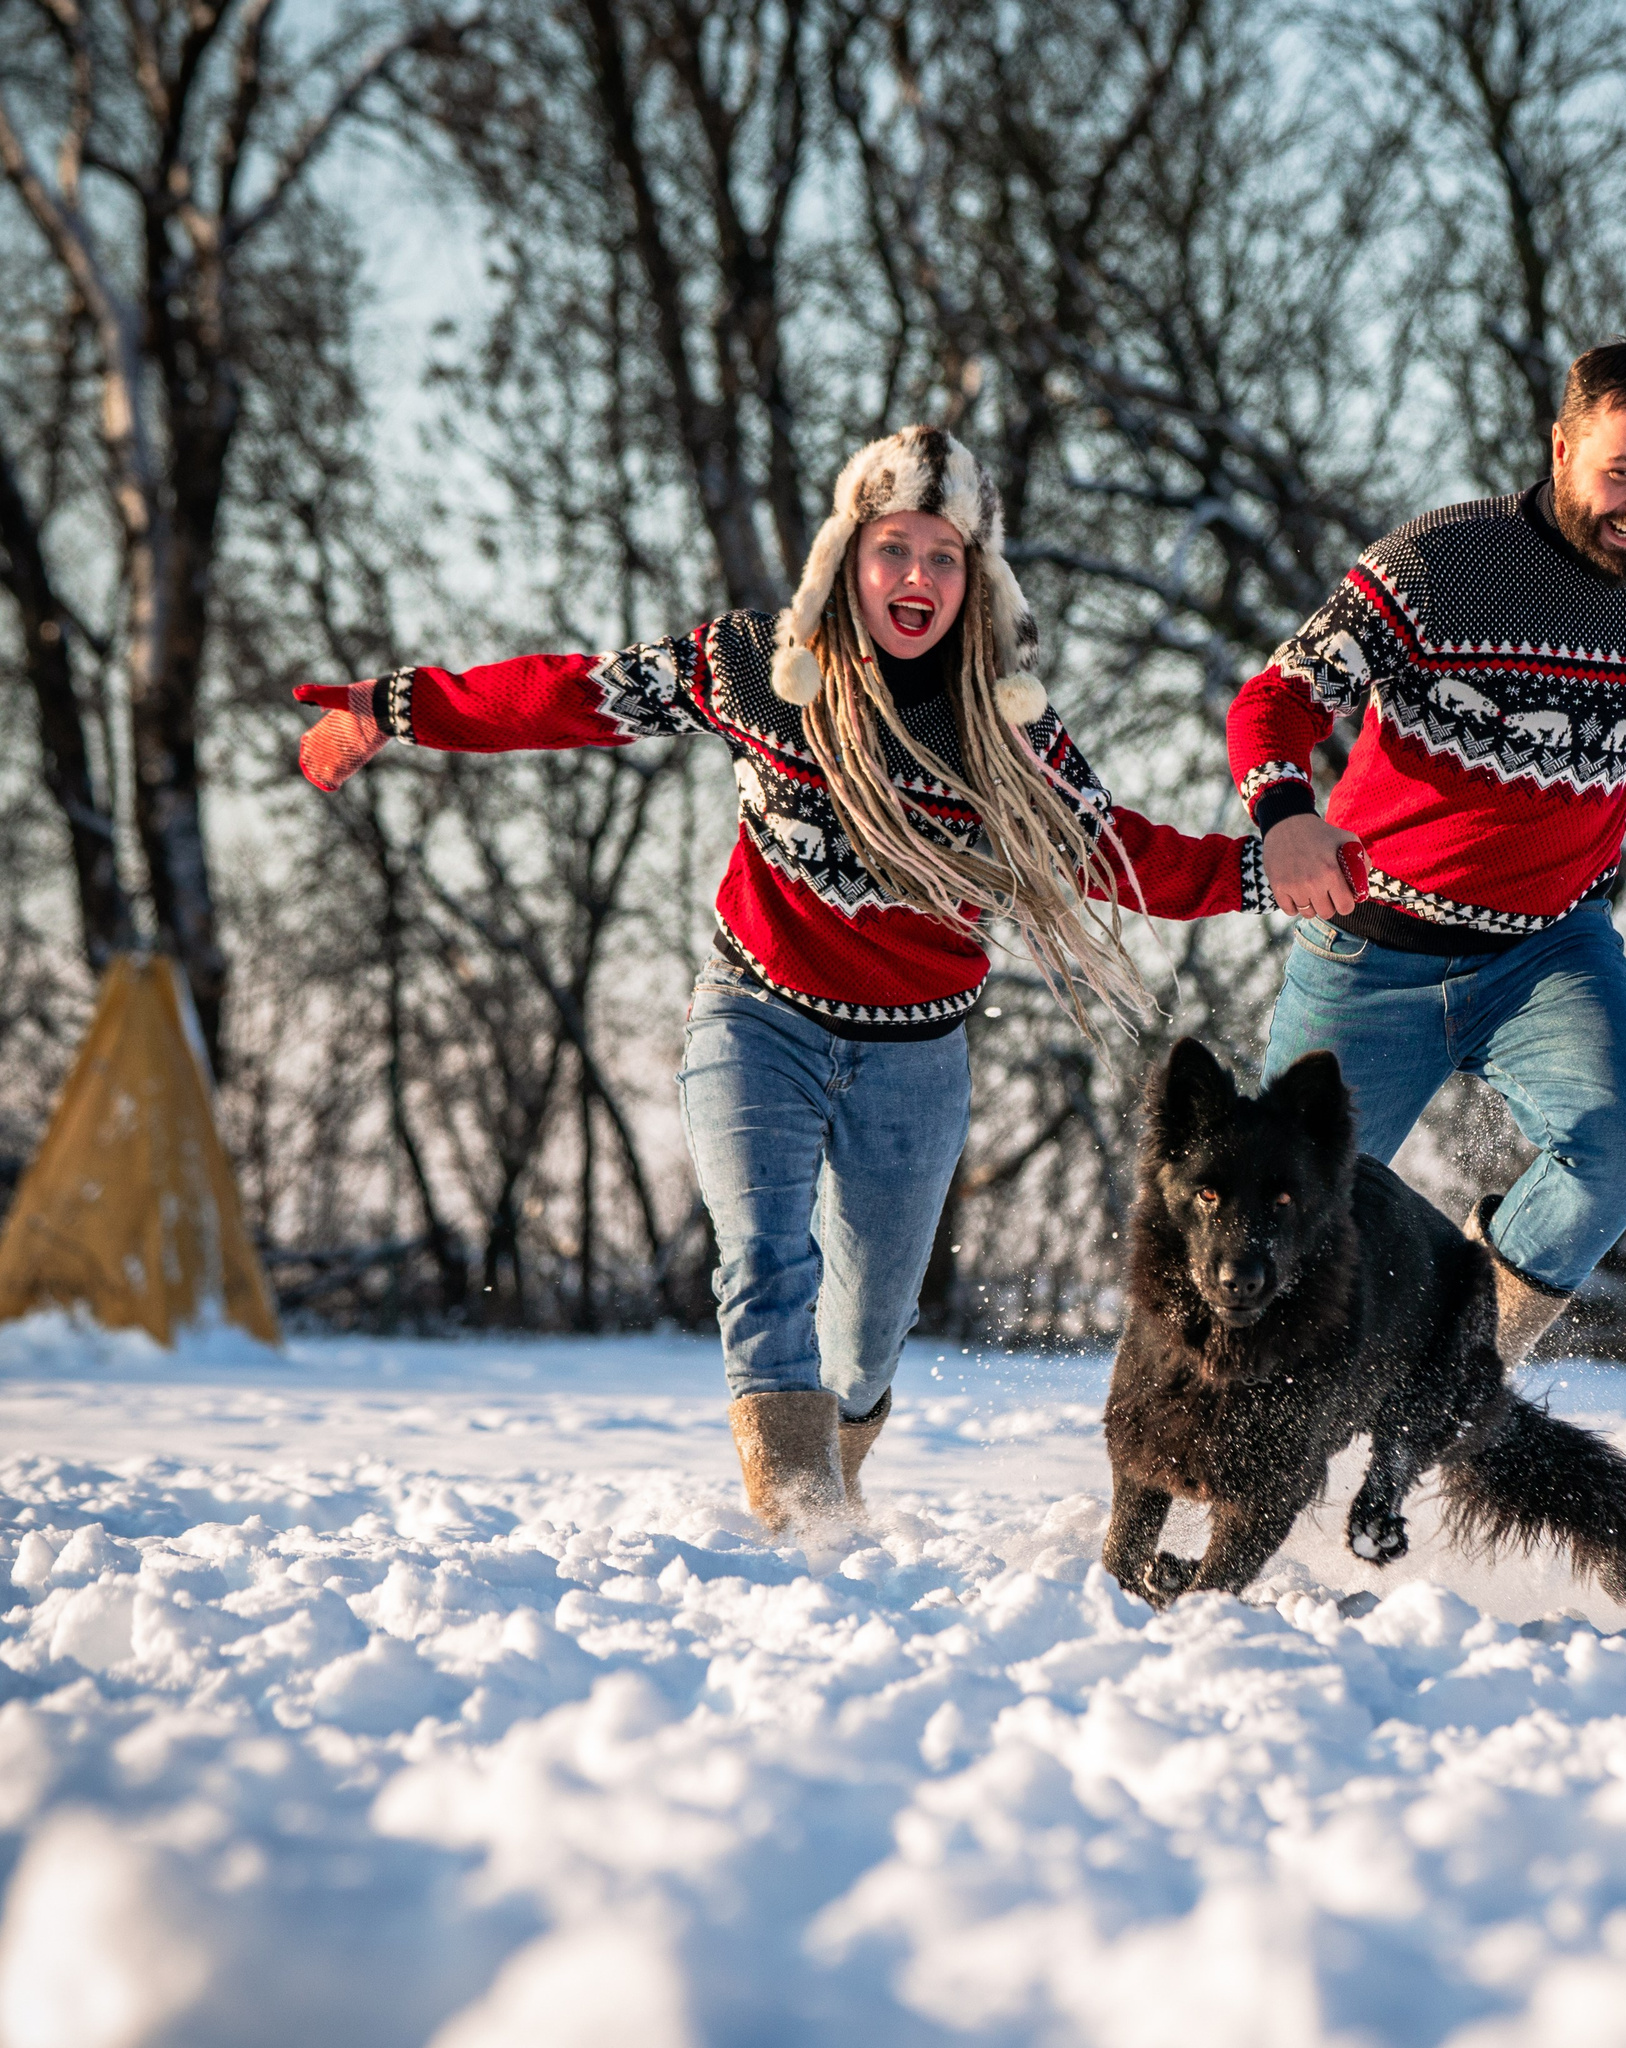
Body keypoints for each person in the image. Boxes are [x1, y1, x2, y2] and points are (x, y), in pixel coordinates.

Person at [296, 426, 1280, 1539]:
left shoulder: (1009, 735)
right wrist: (400, 706)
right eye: (894, 547)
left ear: (977, 580)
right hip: (755, 1011)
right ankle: (800, 1519)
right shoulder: (757, 666)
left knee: (865, 1332)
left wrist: (1265, 865)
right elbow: (576, 694)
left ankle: (837, 1463)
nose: (917, 577)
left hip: (916, 1050)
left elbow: (1119, 855)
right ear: (846, 556)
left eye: (945, 556)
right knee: (762, 1249)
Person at [1231, 339, 1626, 1370]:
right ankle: (1198, 1481)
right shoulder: (1437, 564)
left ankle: (1453, 1365)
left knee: (1623, 1143)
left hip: (1549, 951)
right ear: (1560, 445)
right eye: (1620, 472)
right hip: (1372, 952)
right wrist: (1285, 814)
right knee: (1280, 1234)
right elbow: (1277, 696)